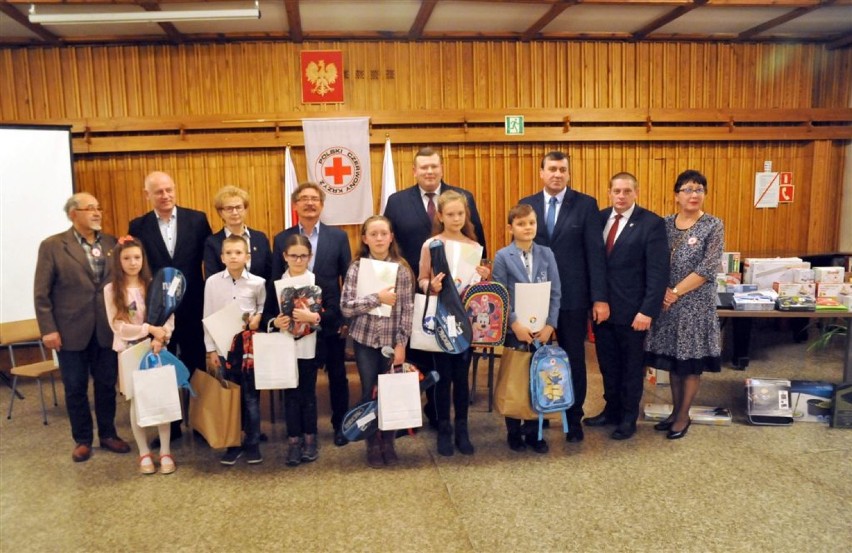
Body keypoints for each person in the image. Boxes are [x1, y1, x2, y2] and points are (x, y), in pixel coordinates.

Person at [383, 147, 487, 428]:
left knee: (454, 369)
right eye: (423, 167)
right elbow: (391, 245)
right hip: (423, 297)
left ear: (441, 168)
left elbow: (480, 244)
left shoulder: (462, 197)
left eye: (434, 166)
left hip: (461, 306)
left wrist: (482, 271)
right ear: (414, 170)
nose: (429, 171)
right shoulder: (396, 201)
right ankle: (426, 413)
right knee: (424, 357)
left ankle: (452, 422)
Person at [34, 192, 131, 462]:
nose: (97, 213)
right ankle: (83, 439)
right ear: (73, 214)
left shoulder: (112, 243)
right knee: (75, 387)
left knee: (105, 385)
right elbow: (41, 293)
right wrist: (48, 329)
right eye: (90, 209)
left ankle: (109, 434)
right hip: (69, 331)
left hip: (105, 329)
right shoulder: (53, 246)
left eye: (99, 208)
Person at [519, 151, 609, 443]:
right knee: (534, 359)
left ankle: (574, 417)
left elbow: (595, 255)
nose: (557, 174)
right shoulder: (527, 205)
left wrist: (599, 298)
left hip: (573, 297)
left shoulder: (585, 205)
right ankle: (536, 419)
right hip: (535, 298)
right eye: (552, 169)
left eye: (562, 170)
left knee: (572, 359)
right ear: (541, 173)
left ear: (568, 174)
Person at [129, 171, 211, 443]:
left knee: (196, 363)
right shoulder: (138, 226)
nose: (165, 195)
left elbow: (209, 260)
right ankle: (171, 427)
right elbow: (137, 267)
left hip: (193, 305)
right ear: (148, 195)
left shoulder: (197, 219)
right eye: (158, 191)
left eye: (168, 190)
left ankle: (200, 423)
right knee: (163, 366)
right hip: (158, 312)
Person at [586, 173, 669, 440]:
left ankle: (627, 418)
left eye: (626, 191)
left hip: (634, 313)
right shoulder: (598, 219)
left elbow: (658, 272)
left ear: (636, 192)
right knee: (608, 366)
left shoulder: (651, 223)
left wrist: (647, 311)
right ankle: (611, 410)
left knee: (631, 369)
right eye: (616, 191)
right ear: (609, 192)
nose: (621, 196)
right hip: (602, 310)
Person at [270, 182, 351, 447]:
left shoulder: (338, 237)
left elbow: (346, 279)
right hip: (293, 325)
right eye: (303, 198)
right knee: (299, 378)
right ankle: (300, 429)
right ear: (295, 205)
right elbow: (275, 280)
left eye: (314, 198)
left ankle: (340, 425)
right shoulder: (282, 238)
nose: (309, 203)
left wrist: (344, 318)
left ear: (322, 205)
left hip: (327, 320)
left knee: (338, 375)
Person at [645, 169, 724, 440]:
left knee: (689, 363)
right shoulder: (664, 224)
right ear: (676, 195)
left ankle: (683, 416)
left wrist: (675, 292)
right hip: (667, 305)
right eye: (688, 189)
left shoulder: (713, 225)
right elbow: (653, 259)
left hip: (695, 305)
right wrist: (662, 293)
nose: (694, 195)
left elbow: (708, 267)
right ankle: (675, 411)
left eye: (699, 189)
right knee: (674, 362)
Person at [417, 191, 490, 457]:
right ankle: (444, 429)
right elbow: (422, 278)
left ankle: (462, 428)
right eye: (450, 214)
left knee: (461, 377)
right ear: (440, 216)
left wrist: (484, 278)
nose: (456, 218)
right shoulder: (431, 245)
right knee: (442, 377)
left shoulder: (473, 246)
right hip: (441, 319)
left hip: (464, 321)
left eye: (460, 214)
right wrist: (430, 285)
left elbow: (475, 289)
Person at [341, 216, 414, 468]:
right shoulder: (356, 268)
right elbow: (347, 307)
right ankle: (371, 441)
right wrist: (377, 298)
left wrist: (401, 343)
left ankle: (389, 442)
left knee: (391, 393)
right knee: (368, 391)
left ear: (391, 237)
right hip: (365, 341)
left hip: (392, 341)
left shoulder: (402, 269)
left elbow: (407, 309)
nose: (379, 238)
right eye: (374, 234)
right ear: (365, 239)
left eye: (384, 233)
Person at [104, 236, 177, 474]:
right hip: (130, 351)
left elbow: (168, 315)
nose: (132, 262)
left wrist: (161, 335)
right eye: (126, 258)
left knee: (161, 397)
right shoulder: (111, 290)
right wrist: (147, 330)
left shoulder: (153, 284)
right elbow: (118, 325)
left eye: (137, 257)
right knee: (137, 401)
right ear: (118, 261)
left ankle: (165, 450)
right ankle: (144, 452)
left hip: (156, 347)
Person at [491, 204, 561, 454]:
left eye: (531, 222)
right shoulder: (502, 256)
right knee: (516, 379)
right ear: (511, 228)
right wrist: (514, 323)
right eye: (521, 224)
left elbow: (555, 292)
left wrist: (550, 325)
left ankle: (534, 432)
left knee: (538, 379)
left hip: (542, 330)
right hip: (517, 331)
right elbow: (501, 293)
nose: (527, 227)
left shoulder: (547, 254)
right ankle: (513, 431)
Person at [268, 234, 333, 467]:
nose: (298, 260)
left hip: (311, 347)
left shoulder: (319, 282)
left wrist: (315, 316)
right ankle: (293, 441)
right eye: (293, 255)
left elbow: (334, 312)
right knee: (291, 395)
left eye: (303, 255)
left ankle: (310, 438)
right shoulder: (275, 283)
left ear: (310, 256)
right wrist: (275, 322)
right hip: (284, 347)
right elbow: (267, 314)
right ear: (285, 256)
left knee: (308, 394)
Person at [203, 235, 266, 464]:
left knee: (251, 398)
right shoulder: (212, 283)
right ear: (221, 257)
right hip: (223, 347)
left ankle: (253, 443)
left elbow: (261, 308)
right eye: (228, 253)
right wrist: (211, 350)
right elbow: (207, 315)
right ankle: (232, 443)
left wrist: (258, 316)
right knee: (230, 396)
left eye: (238, 252)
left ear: (247, 257)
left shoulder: (258, 283)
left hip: (249, 350)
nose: (233, 256)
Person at [204, 185, 272, 281]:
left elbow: (270, 274)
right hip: (226, 295)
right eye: (229, 208)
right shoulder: (212, 243)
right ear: (220, 212)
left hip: (259, 294)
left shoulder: (260, 238)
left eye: (238, 207)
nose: (235, 212)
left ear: (245, 209)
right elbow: (212, 279)